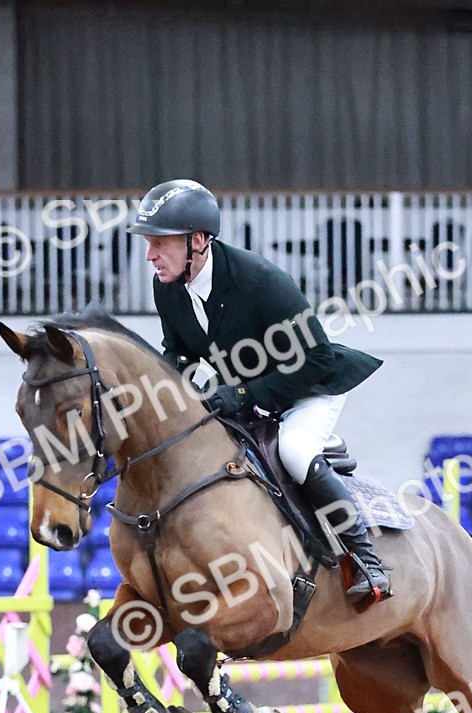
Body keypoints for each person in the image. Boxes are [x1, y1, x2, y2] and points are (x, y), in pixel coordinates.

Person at [126, 178, 391, 601]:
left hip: (307, 386)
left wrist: (243, 395)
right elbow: (179, 352)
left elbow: (317, 356)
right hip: (246, 389)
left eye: (160, 242)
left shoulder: (258, 280)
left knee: (295, 451)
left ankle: (366, 560)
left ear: (198, 241)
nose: (149, 255)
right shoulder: (168, 286)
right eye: (148, 243)